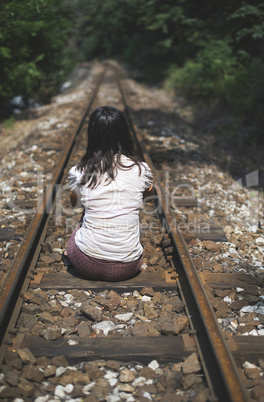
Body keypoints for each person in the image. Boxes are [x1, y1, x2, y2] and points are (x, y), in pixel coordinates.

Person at [62, 105, 153, 281]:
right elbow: (148, 197)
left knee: (83, 218)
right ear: (124, 134)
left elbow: (76, 204)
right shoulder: (141, 169)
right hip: (129, 266)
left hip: (86, 264)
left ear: (92, 136)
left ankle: (75, 253)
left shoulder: (79, 171)